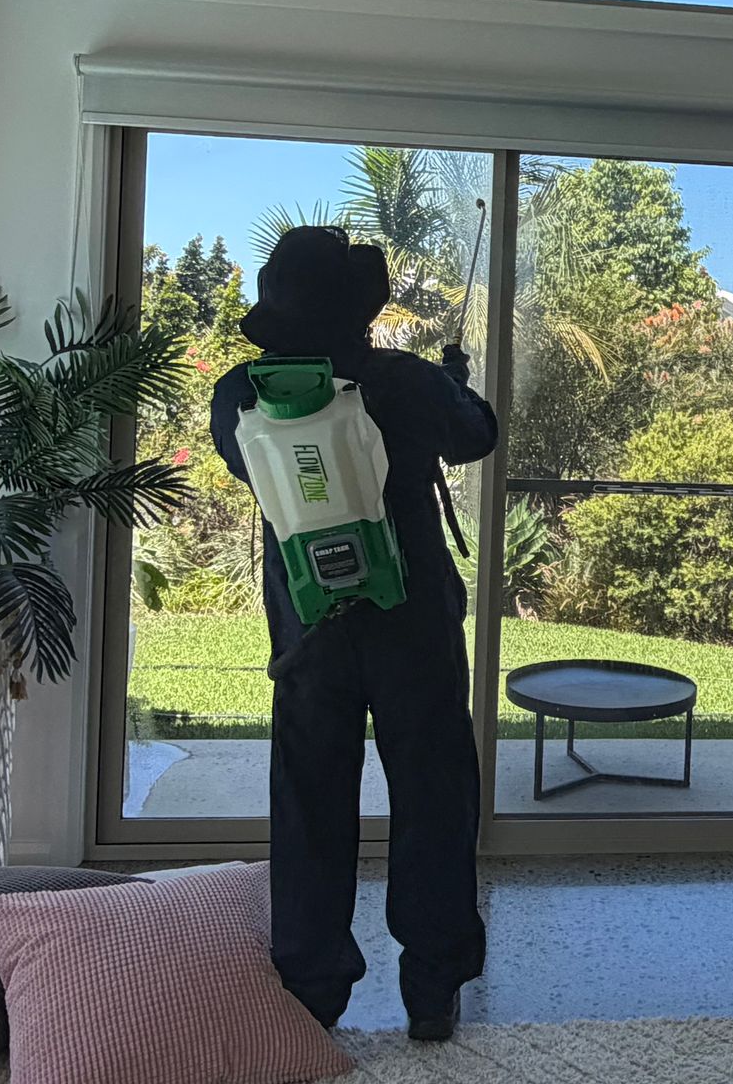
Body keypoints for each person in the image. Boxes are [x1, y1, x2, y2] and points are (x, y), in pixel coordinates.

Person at [209, 225, 497, 1042]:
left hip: (308, 627)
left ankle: (310, 992)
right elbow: (477, 435)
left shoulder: (237, 393)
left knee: (308, 806)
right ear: (360, 311)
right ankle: (433, 990)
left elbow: (249, 469)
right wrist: (452, 384)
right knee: (434, 798)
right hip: (413, 624)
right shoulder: (401, 380)